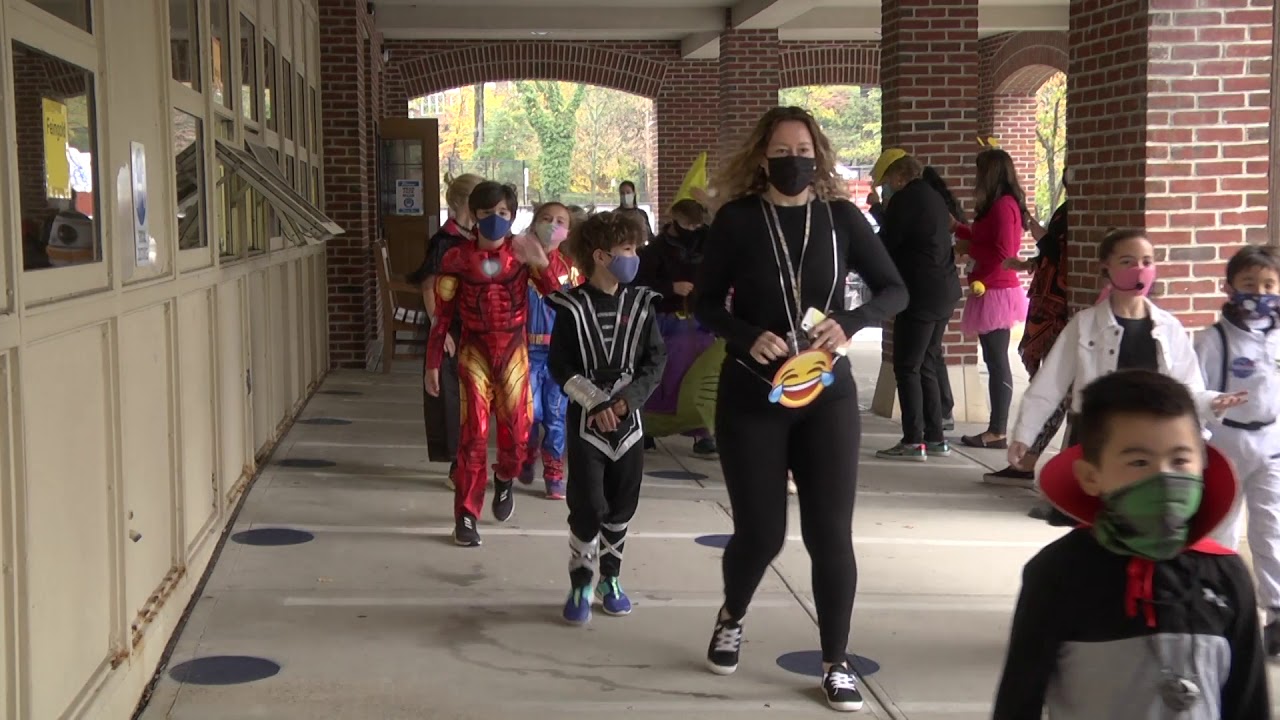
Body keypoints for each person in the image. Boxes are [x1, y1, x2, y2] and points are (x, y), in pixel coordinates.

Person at [695, 106, 907, 712]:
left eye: (805, 151)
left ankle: (835, 661)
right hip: (753, 394)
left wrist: (851, 322)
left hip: (826, 393)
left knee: (830, 534)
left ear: (820, 155)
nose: (795, 161)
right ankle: (733, 614)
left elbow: (896, 289)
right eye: (784, 152)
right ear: (763, 158)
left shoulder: (841, 218)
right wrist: (744, 335)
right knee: (761, 534)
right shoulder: (738, 219)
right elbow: (704, 303)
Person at [992, 370, 1269, 719]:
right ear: (1091, 477)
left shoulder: (1226, 575)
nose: (1164, 476)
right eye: (1139, 462)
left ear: (1202, 465)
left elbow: (1248, 702)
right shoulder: (1058, 575)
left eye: (1180, 460)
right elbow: (1019, 700)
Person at [1007, 229, 1248, 495]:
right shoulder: (1085, 325)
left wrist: (1213, 402)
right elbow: (1049, 385)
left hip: (1150, 443)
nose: (1139, 269)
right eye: (1127, 261)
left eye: (1147, 261)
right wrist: (1024, 435)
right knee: (1090, 510)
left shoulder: (1169, 328)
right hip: (1094, 439)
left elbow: (1187, 388)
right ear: (1106, 268)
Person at [424, 181, 561, 547]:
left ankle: (504, 478)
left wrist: (541, 262)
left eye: (503, 212)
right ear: (474, 215)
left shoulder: (522, 254)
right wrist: (433, 361)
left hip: (514, 352)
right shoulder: (456, 258)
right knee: (472, 438)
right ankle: (466, 515)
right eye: (487, 212)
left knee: (518, 439)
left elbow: (557, 299)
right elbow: (442, 314)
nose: (496, 219)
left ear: (512, 215)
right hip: (474, 354)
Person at [547, 211, 667, 624]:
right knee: (587, 505)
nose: (635, 257)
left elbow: (656, 360)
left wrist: (629, 400)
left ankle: (610, 579)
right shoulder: (571, 306)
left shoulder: (643, 304)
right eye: (627, 249)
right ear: (600, 256)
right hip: (587, 422)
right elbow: (560, 365)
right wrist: (595, 402)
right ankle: (581, 580)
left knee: (622, 504)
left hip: (629, 423)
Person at [1197, 245, 1280, 655]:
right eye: (1249, 284)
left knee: (1272, 530)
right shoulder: (1214, 339)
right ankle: (1218, 606)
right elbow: (1196, 391)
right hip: (1226, 443)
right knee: (1221, 529)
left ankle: (1277, 612)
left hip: (1271, 445)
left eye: (1268, 285)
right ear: (1229, 288)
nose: (1259, 293)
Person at [865, 152, 962, 461]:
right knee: (927, 362)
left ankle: (912, 441)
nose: (884, 188)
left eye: (885, 182)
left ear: (898, 176)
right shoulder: (932, 196)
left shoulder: (905, 199)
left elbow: (887, 243)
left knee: (907, 366)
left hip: (920, 294)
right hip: (944, 291)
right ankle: (935, 438)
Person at [984, 170, 1071, 488]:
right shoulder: (1066, 210)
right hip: (1048, 304)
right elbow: (1049, 256)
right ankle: (1026, 460)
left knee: (1052, 387)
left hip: (1058, 309)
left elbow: (1058, 251)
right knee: (1048, 384)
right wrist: (1027, 264)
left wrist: (1031, 224)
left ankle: (1027, 461)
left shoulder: (1076, 213)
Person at [952, 149, 1030, 450]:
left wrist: (968, 248)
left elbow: (1003, 252)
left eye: (979, 171)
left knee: (997, 361)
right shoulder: (1000, 205)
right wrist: (959, 229)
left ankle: (998, 430)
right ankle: (996, 428)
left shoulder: (1002, 206)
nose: (976, 177)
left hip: (996, 289)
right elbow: (986, 241)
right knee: (993, 359)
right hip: (989, 287)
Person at [412, 173, 484, 490]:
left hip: (478, 326)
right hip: (451, 327)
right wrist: (440, 331)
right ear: (464, 202)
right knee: (454, 398)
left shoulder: (479, 236)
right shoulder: (445, 240)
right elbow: (429, 287)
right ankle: (459, 465)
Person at [636, 198, 718, 456]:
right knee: (663, 373)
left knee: (702, 375)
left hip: (701, 320)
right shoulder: (655, 250)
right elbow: (641, 284)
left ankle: (702, 431)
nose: (692, 230)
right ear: (674, 219)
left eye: (696, 225)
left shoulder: (709, 242)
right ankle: (650, 426)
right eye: (687, 224)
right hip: (666, 319)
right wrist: (670, 288)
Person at [518, 202, 580, 500]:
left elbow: (573, 306)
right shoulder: (518, 264)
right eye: (546, 218)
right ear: (534, 223)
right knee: (529, 413)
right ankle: (526, 452)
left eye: (560, 221)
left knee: (556, 416)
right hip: (524, 352)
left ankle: (554, 473)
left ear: (568, 230)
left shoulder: (571, 268)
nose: (552, 224)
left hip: (558, 355)